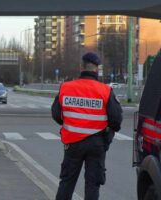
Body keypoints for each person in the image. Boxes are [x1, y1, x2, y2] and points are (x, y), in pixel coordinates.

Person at [51, 52, 123, 200]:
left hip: (72, 143)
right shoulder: (105, 90)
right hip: (97, 143)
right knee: (92, 185)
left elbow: (56, 114)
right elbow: (116, 120)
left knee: (67, 183)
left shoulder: (66, 87)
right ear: (96, 69)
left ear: (81, 67)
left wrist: (72, 123)